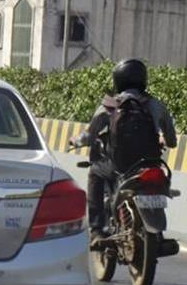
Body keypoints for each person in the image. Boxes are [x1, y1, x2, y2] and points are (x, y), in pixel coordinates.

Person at [69, 58, 177, 247]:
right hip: (149, 164)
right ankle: (157, 234)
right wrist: (163, 140)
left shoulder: (110, 104)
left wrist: (75, 141)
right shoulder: (156, 105)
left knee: (95, 172)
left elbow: (90, 134)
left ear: (117, 79)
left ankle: (96, 229)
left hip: (120, 166)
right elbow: (172, 141)